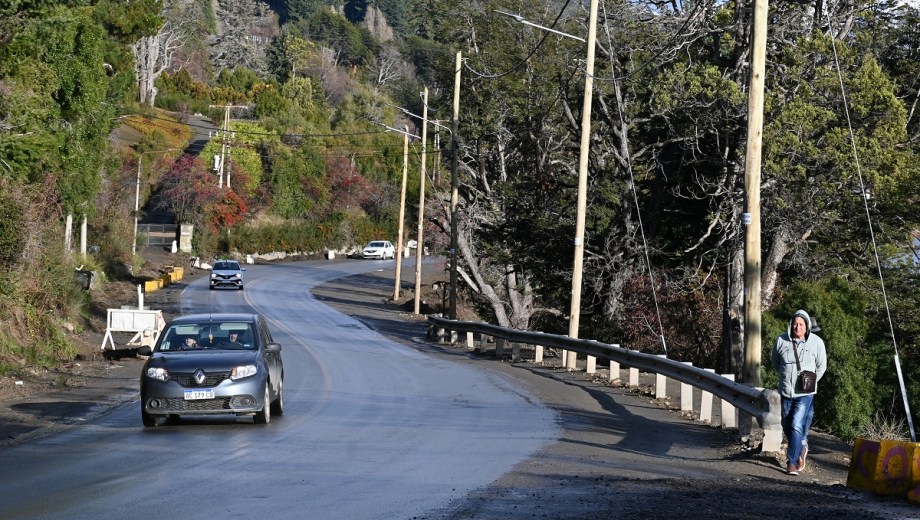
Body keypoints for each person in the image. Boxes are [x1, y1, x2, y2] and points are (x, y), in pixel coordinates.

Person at [771, 309, 827, 475]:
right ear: (791, 325)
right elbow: (776, 362)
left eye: (801, 324)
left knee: (796, 424)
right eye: (795, 323)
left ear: (807, 326)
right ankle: (802, 445)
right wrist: (785, 377)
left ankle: (792, 462)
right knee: (787, 424)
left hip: (805, 393)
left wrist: (811, 382)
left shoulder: (817, 342)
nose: (798, 327)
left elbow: (821, 366)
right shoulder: (781, 340)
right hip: (786, 391)